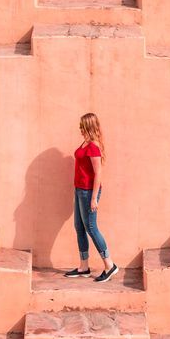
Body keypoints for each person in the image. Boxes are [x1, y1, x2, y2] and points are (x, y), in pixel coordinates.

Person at [65, 112, 118, 282]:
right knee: (79, 227)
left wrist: (94, 198)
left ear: (88, 126)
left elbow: (98, 174)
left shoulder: (93, 146)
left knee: (91, 228)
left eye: (82, 126)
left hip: (88, 192)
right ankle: (84, 267)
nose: (80, 129)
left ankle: (110, 265)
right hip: (79, 190)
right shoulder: (85, 143)